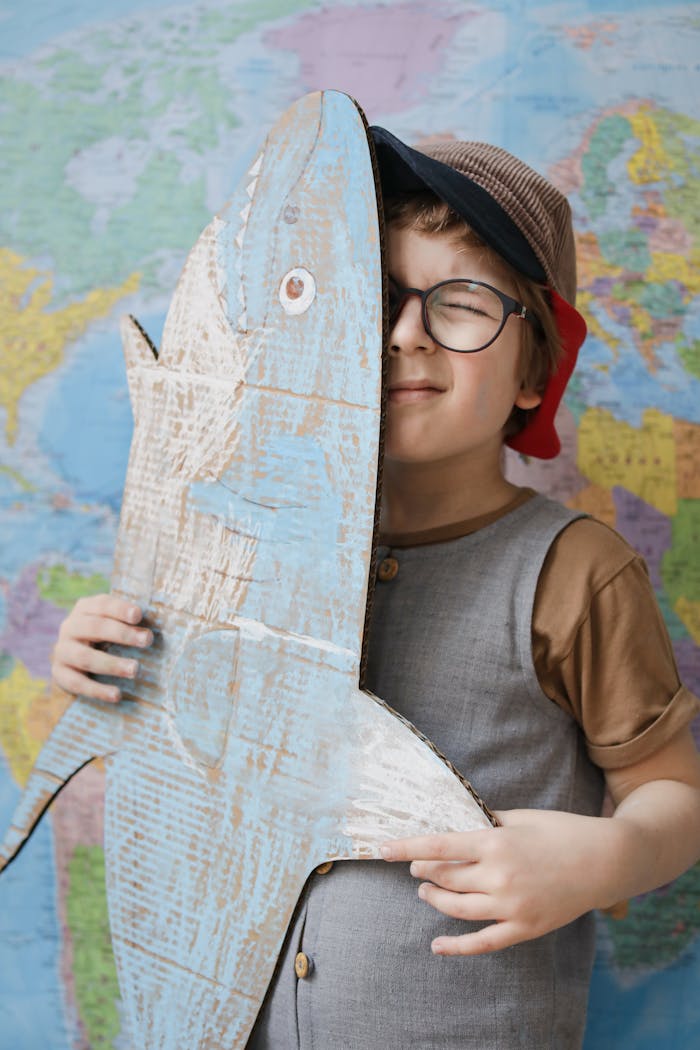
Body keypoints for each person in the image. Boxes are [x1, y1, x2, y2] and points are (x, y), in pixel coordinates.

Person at [51, 126, 700, 1048]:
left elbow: (672, 793)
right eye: (376, 298)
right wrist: (106, 660)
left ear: (535, 371)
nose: (403, 334)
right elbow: (189, 743)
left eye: (462, 304)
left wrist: (611, 857)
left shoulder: (575, 572)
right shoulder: (245, 551)